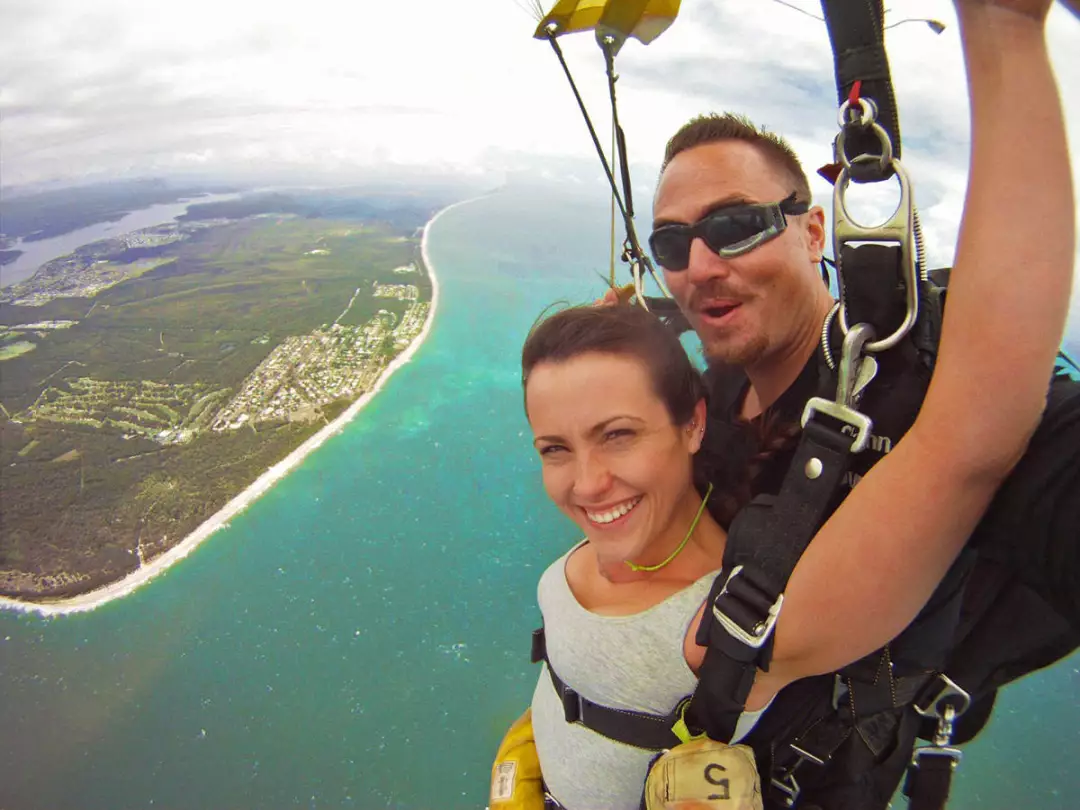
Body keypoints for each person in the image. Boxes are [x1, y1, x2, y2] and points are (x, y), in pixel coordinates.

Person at [508, 1, 1077, 808]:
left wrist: (1003, 26)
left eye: (737, 226)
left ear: (815, 231)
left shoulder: (913, 398)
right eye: (673, 244)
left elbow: (986, 438)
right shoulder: (706, 387)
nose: (700, 266)